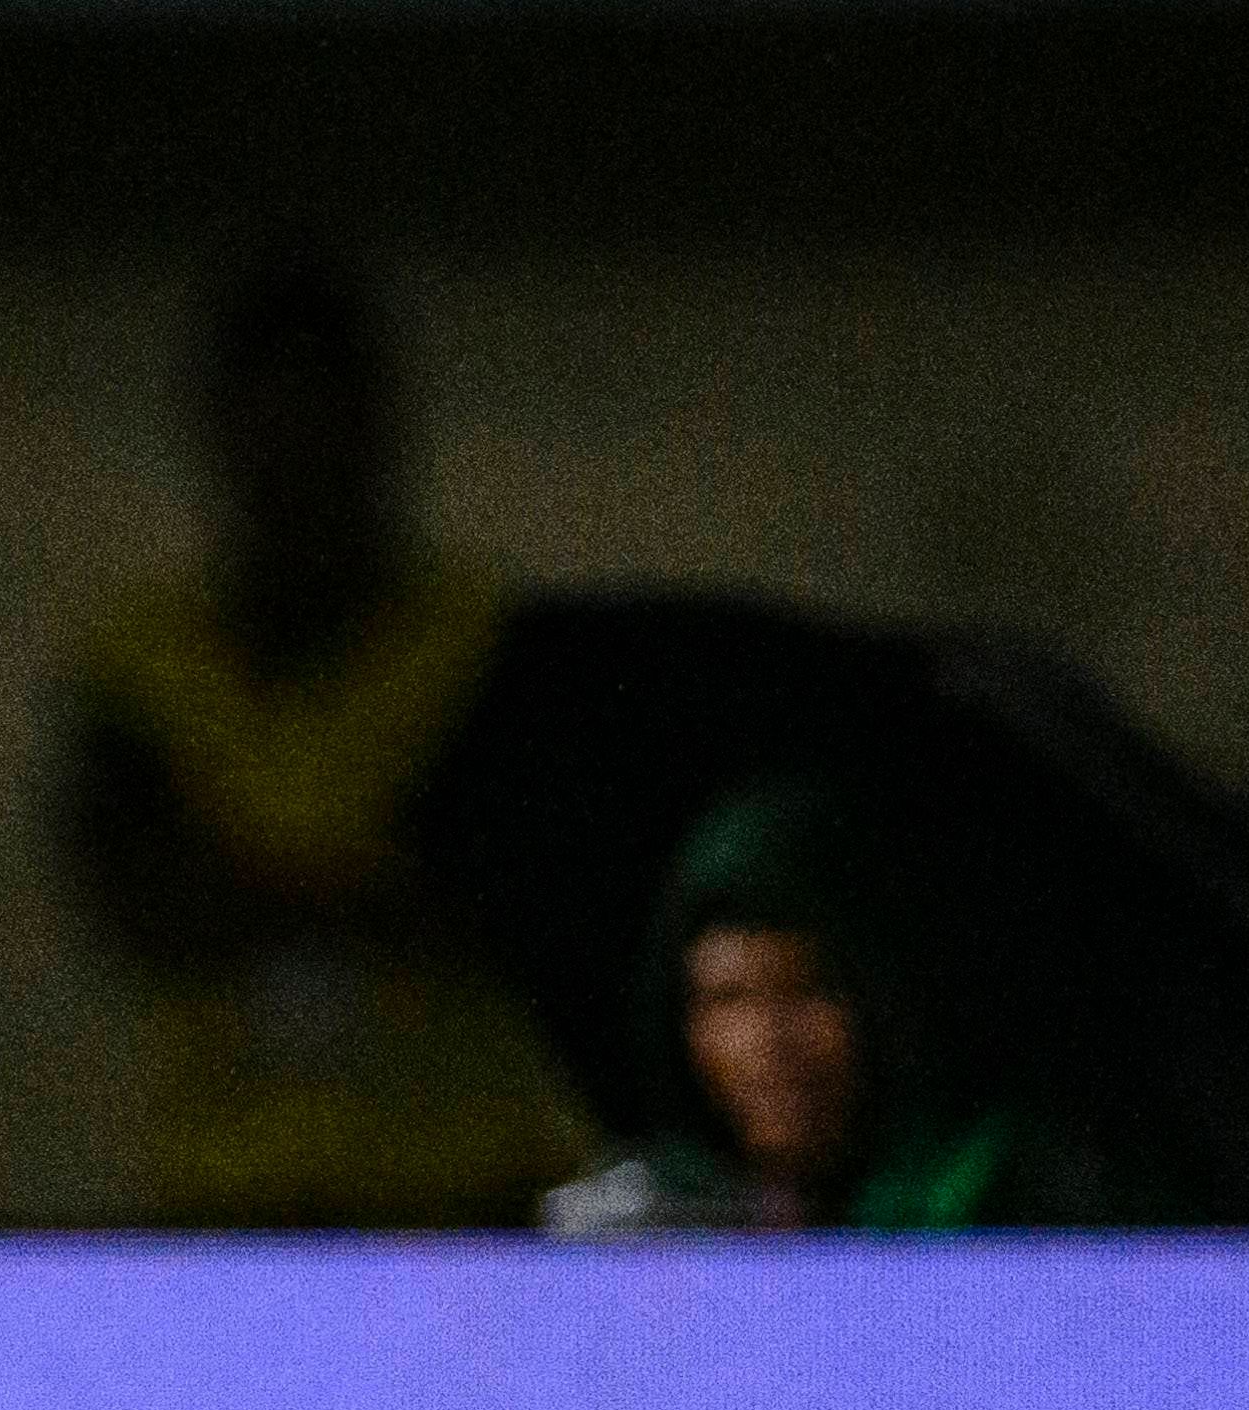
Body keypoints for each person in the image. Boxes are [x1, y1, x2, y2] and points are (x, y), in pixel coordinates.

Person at [55, 252, 578, 1224]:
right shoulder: (142, 663)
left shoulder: (482, 645)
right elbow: (136, 905)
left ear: (377, 435)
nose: (294, 468)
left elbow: (514, 895)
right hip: (228, 1194)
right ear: (214, 438)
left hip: (457, 1193)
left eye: (319, 430)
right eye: (267, 431)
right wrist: (369, 888)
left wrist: (259, 887)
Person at [543, 782, 1105, 1232]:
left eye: (809, 989)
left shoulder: (1019, 1201)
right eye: (728, 999)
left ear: (884, 1000)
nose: (768, 1041)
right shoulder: (656, 1224)